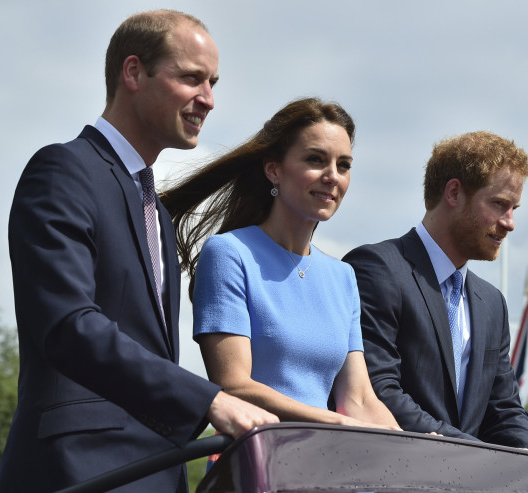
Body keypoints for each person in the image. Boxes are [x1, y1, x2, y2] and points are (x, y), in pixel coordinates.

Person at [0, 10, 277, 493]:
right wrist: (208, 400)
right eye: (191, 78)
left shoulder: (157, 214)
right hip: (80, 468)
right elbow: (68, 325)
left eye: (212, 82)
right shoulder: (63, 171)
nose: (208, 99)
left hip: (158, 472)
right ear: (133, 72)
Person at [162, 97, 400, 431]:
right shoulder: (229, 253)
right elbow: (234, 385)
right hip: (264, 463)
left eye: (344, 165)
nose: (333, 176)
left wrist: (411, 446)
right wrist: (334, 422)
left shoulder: (342, 276)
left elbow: (359, 399)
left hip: (330, 464)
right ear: (274, 170)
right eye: (316, 160)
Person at [343, 131, 528, 449]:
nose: (510, 223)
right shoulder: (376, 269)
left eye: (514, 208)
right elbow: (375, 389)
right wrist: (471, 453)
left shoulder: (492, 304)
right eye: (500, 204)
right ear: (453, 192)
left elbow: (504, 411)